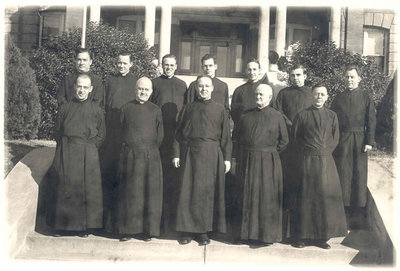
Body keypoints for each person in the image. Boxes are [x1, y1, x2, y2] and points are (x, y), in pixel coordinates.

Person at [172, 75, 232, 246]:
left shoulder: (221, 110)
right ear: (196, 88)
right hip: (190, 154)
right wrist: (176, 154)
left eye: (207, 86)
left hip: (212, 155)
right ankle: (187, 231)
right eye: (200, 86)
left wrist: (227, 158)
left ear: (212, 88)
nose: (204, 89)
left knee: (206, 194)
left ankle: (203, 232)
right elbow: (178, 134)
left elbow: (226, 137)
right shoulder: (187, 108)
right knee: (188, 193)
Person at [46, 74, 105, 237]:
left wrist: (90, 148)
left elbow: (102, 134)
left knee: (86, 189)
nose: (82, 90)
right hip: (67, 150)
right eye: (79, 86)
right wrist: (66, 146)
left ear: (91, 89)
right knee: (64, 186)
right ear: (74, 87)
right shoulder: (65, 108)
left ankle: (84, 228)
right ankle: (61, 226)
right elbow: (57, 131)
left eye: (85, 87)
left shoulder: (97, 109)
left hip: (88, 153)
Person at [290, 84, 347, 249]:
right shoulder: (302, 115)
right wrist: (308, 152)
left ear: (327, 97)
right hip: (306, 161)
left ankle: (322, 238)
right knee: (306, 198)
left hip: (326, 162)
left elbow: (336, 138)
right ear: (312, 96)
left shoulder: (332, 116)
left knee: (323, 199)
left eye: (322, 94)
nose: (319, 97)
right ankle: (301, 237)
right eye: (316, 94)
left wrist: (324, 151)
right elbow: (296, 138)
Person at [232, 84, 288, 246]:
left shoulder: (277, 116)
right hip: (247, 160)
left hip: (268, 162)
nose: (258, 98)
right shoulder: (245, 116)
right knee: (245, 196)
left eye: (261, 95)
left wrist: (268, 153)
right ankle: (244, 235)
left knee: (266, 197)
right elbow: (237, 138)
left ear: (270, 98)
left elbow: (284, 141)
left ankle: (265, 236)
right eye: (256, 95)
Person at [114, 77, 164, 242]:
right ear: (135, 90)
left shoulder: (156, 110)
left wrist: (148, 148)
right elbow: (120, 131)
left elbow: (160, 135)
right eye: (140, 89)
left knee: (148, 193)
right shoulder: (126, 108)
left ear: (151, 92)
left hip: (150, 156)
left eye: (146, 90)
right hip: (130, 156)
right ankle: (127, 230)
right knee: (130, 193)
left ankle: (147, 231)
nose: (143, 92)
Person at [273, 64, 314, 239]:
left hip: (304, 144)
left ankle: (301, 227)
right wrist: (290, 124)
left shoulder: (311, 94)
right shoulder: (283, 93)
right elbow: (278, 112)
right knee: (286, 181)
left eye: (299, 74)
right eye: (292, 75)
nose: (295, 78)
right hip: (286, 142)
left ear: (305, 75)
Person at [99, 52, 138, 232]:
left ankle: (122, 222)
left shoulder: (135, 82)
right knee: (108, 177)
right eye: (119, 63)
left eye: (125, 63)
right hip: (111, 135)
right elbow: (103, 106)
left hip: (128, 136)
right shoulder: (109, 81)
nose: (121, 66)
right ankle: (105, 222)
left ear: (131, 64)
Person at [331, 65, 376, 219]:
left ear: (359, 79)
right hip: (342, 140)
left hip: (360, 141)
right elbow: (333, 120)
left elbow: (371, 120)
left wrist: (369, 141)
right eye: (347, 77)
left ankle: (357, 214)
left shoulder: (365, 97)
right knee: (342, 173)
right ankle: (342, 212)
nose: (349, 80)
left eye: (352, 77)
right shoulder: (339, 97)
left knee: (358, 173)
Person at [150, 54, 187, 236]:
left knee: (175, 180)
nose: (169, 68)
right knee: (159, 180)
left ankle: (173, 223)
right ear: (161, 66)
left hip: (177, 138)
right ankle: (158, 222)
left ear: (176, 66)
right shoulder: (155, 83)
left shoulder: (182, 85)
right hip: (159, 137)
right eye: (166, 65)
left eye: (172, 65)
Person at [231, 59, 270, 129]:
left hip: (262, 128)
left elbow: (272, 110)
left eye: (254, 69)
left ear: (259, 70)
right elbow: (234, 113)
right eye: (249, 69)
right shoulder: (238, 91)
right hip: (244, 129)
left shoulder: (266, 89)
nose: (252, 72)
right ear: (246, 71)